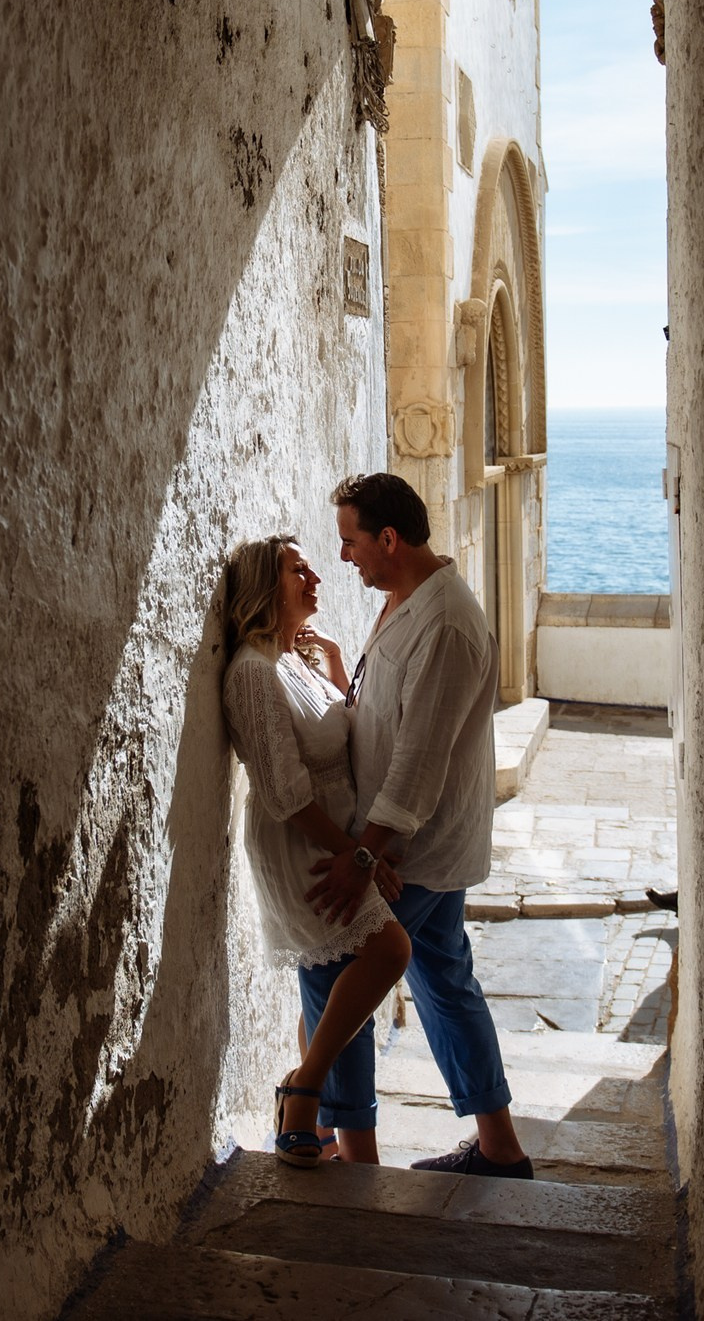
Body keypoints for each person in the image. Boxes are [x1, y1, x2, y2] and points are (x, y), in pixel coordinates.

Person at [303, 472, 533, 1178]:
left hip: (416, 849)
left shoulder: (449, 623)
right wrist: (347, 677)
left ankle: (352, 1154)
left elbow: (419, 763)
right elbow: (393, 713)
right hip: (420, 845)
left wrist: (364, 857)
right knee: (443, 979)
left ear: (390, 539)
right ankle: (500, 1148)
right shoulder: (409, 598)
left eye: (351, 541)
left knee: (336, 966)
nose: (344, 556)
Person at [216, 533, 412, 1169]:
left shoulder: (292, 660)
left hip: (336, 836)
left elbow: (333, 737)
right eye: (298, 570)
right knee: (390, 949)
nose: (316, 578)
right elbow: (286, 794)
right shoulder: (251, 672)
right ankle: (302, 1091)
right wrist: (360, 859)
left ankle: (327, 1132)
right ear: (264, 588)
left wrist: (331, 665)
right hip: (304, 845)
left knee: (328, 990)